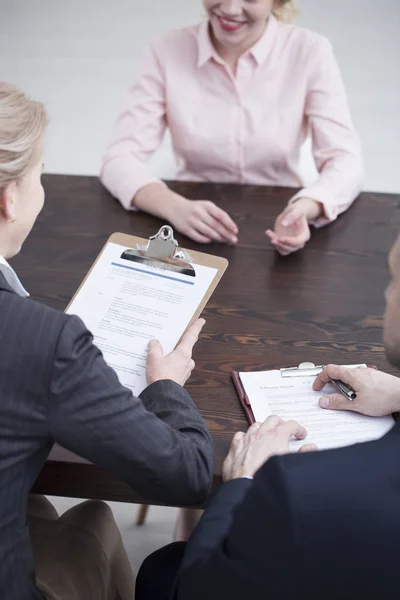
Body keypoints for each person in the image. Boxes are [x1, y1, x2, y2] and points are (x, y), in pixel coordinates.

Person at [0, 82, 213, 600]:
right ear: (8, 199)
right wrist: (166, 388)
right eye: (40, 174)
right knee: (90, 520)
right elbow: (188, 476)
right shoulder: (43, 342)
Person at [136, 233, 400, 599]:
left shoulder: (293, 487)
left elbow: (195, 590)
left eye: (394, 279)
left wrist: (242, 482)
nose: (387, 294)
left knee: (161, 568)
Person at [101, 0, 363, 256]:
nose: (229, 8)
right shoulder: (166, 49)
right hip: (189, 225)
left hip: (277, 223)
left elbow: (345, 160)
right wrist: (174, 207)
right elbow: (119, 158)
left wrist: (304, 209)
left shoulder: (310, 50)